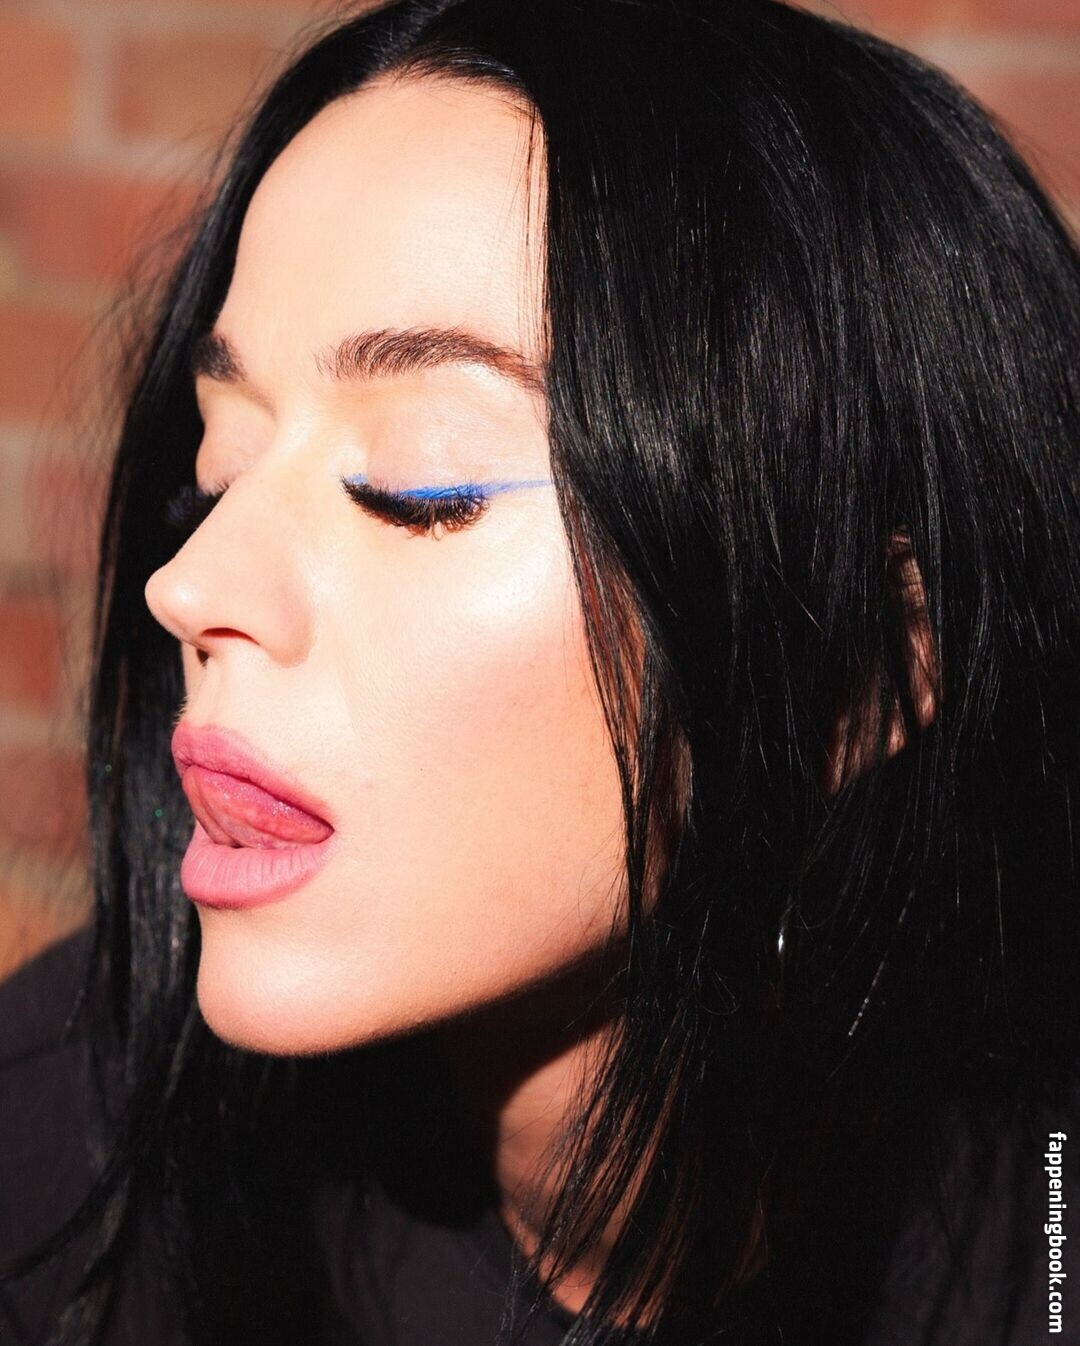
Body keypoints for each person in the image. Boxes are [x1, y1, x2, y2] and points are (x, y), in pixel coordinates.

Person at [1, 0, 1078, 1342]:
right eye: (220, 468)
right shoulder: (57, 1156)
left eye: (417, 485)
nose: (189, 586)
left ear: (865, 671)